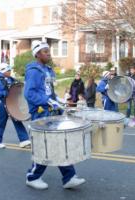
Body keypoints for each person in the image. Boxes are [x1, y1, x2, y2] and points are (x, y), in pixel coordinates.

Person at [24, 40, 86, 190]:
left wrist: (57, 99)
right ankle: (32, 177)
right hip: (41, 114)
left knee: (57, 144)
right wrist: (48, 102)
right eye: (45, 51)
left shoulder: (48, 70)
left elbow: (49, 92)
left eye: (48, 50)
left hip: (52, 112)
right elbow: (29, 94)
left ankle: (69, 176)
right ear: (37, 54)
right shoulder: (33, 71)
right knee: (45, 147)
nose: (48, 53)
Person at [0, 63, 31, 149]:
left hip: (12, 103)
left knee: (17, 119)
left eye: (10, 70)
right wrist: (3, 93)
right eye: (8, 70)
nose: (10, 71)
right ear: (3, 71)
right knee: (1, 122)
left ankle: (24, 140)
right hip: (1, 103)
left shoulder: (12, 79)